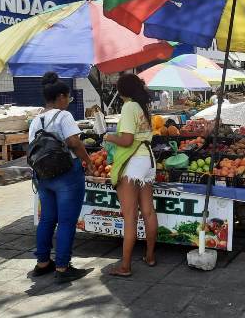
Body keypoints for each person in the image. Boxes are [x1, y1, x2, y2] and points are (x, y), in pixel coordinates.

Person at [29, 72, 94, 284]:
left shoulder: (35, 120)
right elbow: (74, 142)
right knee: (66, 221)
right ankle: (63, 267)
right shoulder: (63, 116)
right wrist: (88, 161)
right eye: (68, 97)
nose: (68, 101)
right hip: (67, 175)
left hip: (43, 176)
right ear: (60, 97)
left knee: (47, 219)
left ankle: (42, 263)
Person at [105, 74, 158, 276]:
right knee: (148, 212)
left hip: (133, 162)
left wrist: (109, 136)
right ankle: (150, 256)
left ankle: (125, 266)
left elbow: (126, 140)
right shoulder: (143, 107)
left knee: (130, 216)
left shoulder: (128, 107)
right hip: (148, 161)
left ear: (121, 91)